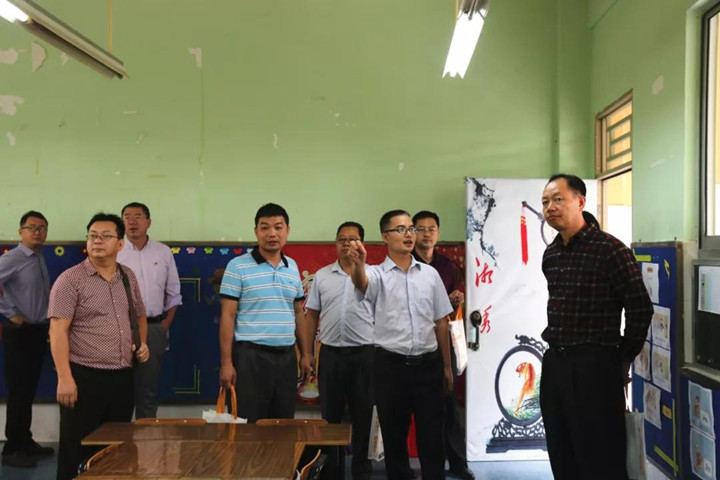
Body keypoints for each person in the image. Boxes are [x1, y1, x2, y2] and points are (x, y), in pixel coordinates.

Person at [539, 174, 652, 480]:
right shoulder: (552, 254)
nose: (550, 207)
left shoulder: (611, 250)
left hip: (595, 366)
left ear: (580, 202)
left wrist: (623, 359)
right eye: (545, 202)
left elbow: (640, 308)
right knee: (561, 450)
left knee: (601, 457)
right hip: (556, 364)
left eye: (558, 199)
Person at [348, 210, 453, 480]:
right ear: (385, 236)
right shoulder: (376, 274)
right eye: (401, 229)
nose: (409, 234)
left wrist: (446, 367)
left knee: (432, 438)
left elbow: (441, 321)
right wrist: (359, 264)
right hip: (391, 368)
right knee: (394, 439)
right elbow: (361, 283)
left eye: (411, 229)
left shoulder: (430, 275)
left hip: (428, 365)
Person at [49, 213, 149, 480]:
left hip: (122, 377)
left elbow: (139, 315)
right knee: (76, 448)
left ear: (120, 244)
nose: (97, 241)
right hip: (84, 377)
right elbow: (57, 331)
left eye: (106, 236)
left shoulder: (127, 276)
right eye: (92, 235)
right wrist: (64, 378)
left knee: (115, 450)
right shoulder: (70, 280)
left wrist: (142, 343)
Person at [218, 203, 313, 422]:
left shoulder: (292, 267)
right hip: (250, 358)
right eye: (265, 227)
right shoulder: (237, 266)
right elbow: (228, 316)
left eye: (278, 227)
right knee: (249, 424)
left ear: (287, 230)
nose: (272, 233)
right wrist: (226, 363)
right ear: (256, 232)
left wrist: (306, 354)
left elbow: (298, 313)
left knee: (283, 422)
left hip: (286, 358)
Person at [306, 221, 375, 480]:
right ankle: (332, 472)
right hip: (331, 356)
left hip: (364, 355)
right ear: (336, 244)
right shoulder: (322, 276)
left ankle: (362, 471)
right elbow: (312, 315)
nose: (347, 244)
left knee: (363, 416)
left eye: (352, 239)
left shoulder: (374, 275)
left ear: (362, 244)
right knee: (330, 418)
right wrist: (309, 354)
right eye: (341, 239)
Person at [412, 211, 473, 480]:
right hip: (413, 344)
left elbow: (453, 305)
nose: (427, 234)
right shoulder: (404, 264)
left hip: (444, 343)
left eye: (432, 229)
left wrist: (456, 299)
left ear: (438, 233)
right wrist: (444, 302)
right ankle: (410, 466)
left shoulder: (448, 267)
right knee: (412, 409)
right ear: (412, 232)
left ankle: (457, 463)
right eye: (421, 229)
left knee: (449, 405)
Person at [118, 202, 182, 419]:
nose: (132, 221)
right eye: (127, 217)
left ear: (148, 222)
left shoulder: (163, 252)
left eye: (137, 216)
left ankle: (145, 437)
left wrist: (164, 325)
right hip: (120, 329)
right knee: (119, 388)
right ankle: (119, 437)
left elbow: (174, 293)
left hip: (154, 327)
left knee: (148, 389)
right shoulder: (115, 251)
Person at [0, 211, 53, 468]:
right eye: (31, 227)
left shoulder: (39, 257)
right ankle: (12, 449)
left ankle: (25, 440)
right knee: (19, 392)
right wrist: (10, 313)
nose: (37, 232)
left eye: (42, 228)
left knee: (28, 390)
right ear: (20, 231)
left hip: (38, 330)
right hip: (19, 332)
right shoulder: (13, 258)